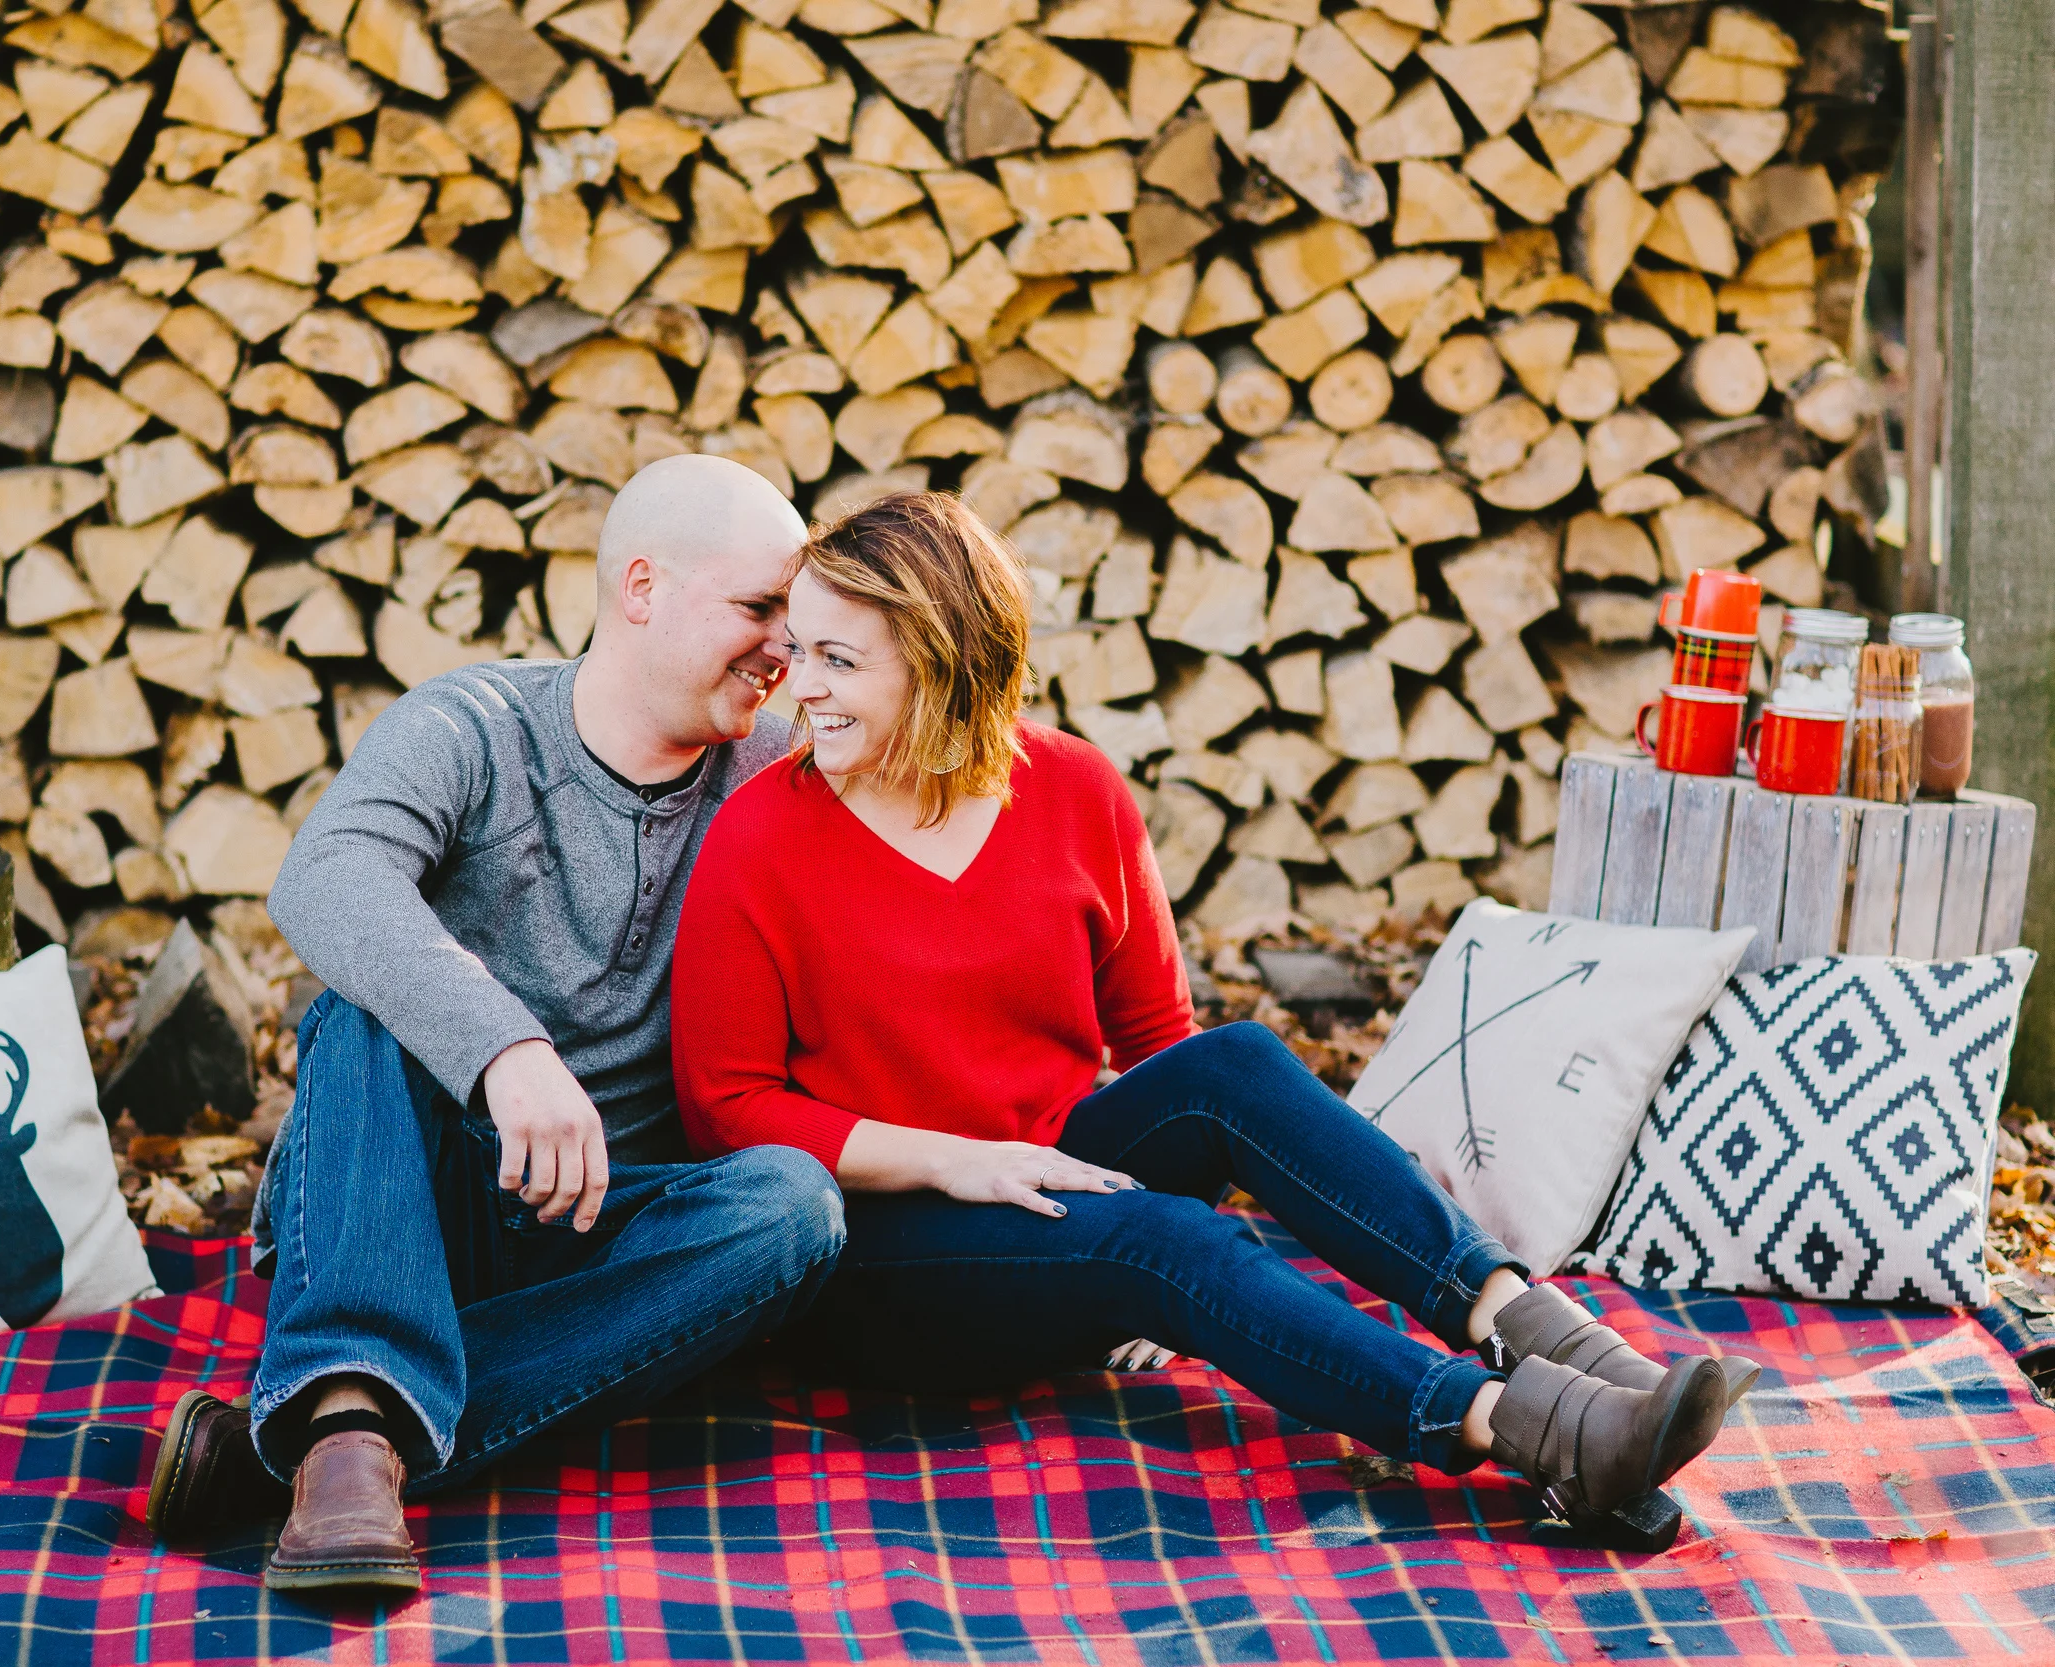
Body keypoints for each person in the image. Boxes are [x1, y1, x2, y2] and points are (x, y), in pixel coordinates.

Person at [670, 492, 1751, 1539]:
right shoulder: (761, 838)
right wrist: (961, 1162)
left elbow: (1162, 1046)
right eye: (795, 649)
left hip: (1059, 1183)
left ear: (945, 658)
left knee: (1229, 1064)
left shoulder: (1074, 789)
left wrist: (1084, 1233)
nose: (795, 688)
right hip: (887, 1259)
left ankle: (1538, 1330)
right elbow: (725, 1107)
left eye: (836, 659)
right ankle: (1521, 1426)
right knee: (1167, 1238)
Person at [147, 455, 850, 1593]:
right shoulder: (474, 721)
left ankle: (332, 1438)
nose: (785, 646)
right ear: (640, 588)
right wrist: (505, 1051)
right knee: (361, 1019)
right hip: (412, 1204)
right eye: (759, 607)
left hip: (612, 1235)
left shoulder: (775, 769)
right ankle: (349, 1408)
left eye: (797, 616)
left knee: (795, 1208)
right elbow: (325, 877)